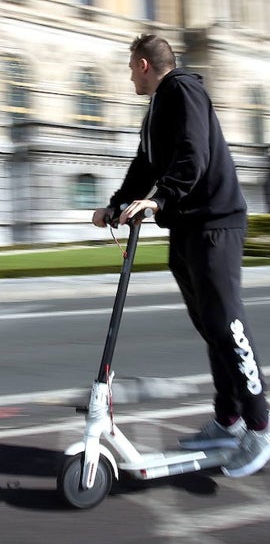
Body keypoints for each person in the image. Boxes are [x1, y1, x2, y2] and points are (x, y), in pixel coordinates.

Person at [92, 33, 269, 478]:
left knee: (227, 324)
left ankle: (261, 426)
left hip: (215, 224)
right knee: (212, 329)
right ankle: (228, 419)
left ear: (145, 64)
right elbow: (145, 167)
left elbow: (195, 154)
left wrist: (161, 199)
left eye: (131, 67)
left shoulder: (184, 90)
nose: (129, 75)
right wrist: (118, 205)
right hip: (189, 228)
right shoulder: (156, 110)